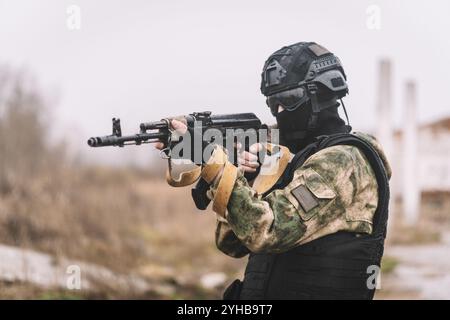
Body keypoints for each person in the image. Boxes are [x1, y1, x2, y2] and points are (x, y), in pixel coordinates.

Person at [155, 42, 392, 300]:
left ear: (321, 96)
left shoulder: (344, 160)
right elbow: (231, 243)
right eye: (272, 103)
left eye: (288, 101)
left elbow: (267, 231)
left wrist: (215, 164)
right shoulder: (287, 159)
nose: (279, 113)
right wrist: (244, 177)